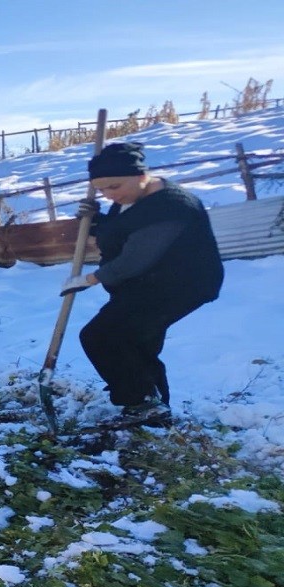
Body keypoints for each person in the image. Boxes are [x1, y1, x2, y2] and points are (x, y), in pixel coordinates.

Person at [61, 142, 223, 425]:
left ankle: (141, 401)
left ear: (141, 175)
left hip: (177, 286)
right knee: (135, 342)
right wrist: (95, 220)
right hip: (146, 283)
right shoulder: (130, 197)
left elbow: (135, 258)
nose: (110, 195)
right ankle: (153, 408)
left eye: (114, 186)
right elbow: (121, 232)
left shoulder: (171, 207)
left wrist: (88, 279)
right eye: (101, 189)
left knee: (102, 336)